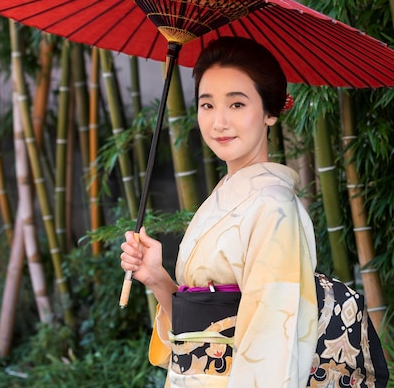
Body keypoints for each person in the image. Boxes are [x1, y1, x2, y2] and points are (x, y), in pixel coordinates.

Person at [120, 36, 319, 387]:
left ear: (270, 112)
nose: (219, 122)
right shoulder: (224, 198)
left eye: (237, 105)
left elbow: (273, 348)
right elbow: (194, 335)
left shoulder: (274, 209)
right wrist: (156, 277)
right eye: (207, 105)